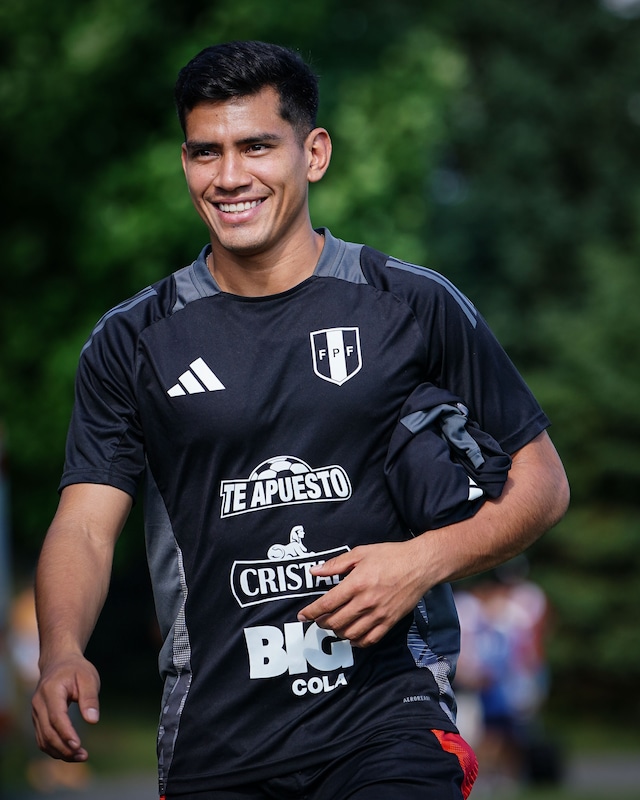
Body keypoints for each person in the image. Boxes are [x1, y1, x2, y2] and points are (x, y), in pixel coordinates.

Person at [31, 40, 569, 800]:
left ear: (313, 153)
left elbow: (543, 482)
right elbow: (86, 527)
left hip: (389, 716)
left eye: (256, 146)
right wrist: (61, 651)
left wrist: (422, 561)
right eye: (205, 152)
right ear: (184, 162)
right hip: (217, 736)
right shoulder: (132, 340)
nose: (228, 176)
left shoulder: (413, 304)